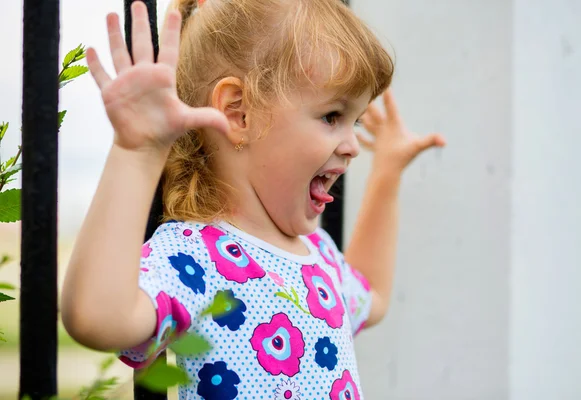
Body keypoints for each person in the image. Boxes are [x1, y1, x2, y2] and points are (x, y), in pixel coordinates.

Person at [60, 0, 445, 398]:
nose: (351, 145)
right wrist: (137, 151)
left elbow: (374, 298)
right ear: (239, 112)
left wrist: (388, 172)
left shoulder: (319, 255)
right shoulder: (197, 258)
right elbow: (97, 318)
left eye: (357, 122)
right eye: (332, 116)